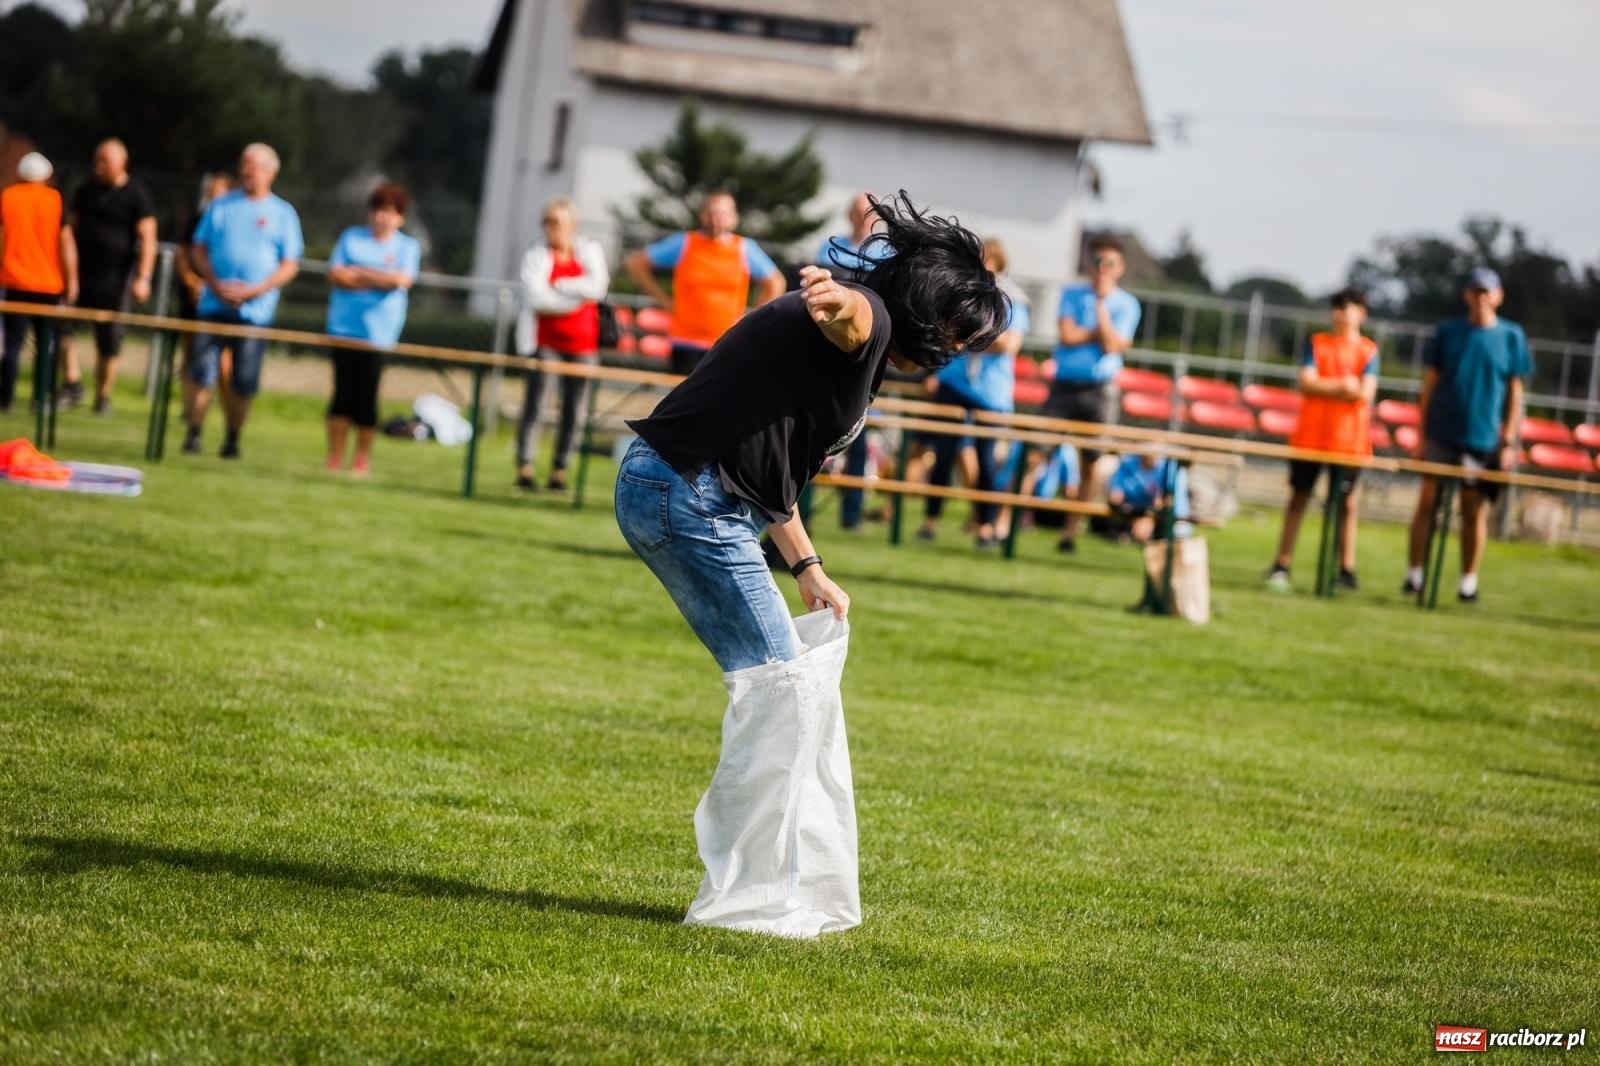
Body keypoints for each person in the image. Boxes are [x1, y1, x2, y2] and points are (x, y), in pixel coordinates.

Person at [615, 194, 1008, 933]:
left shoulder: (864, 341)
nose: (957, 349)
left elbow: (773, 472)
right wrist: (834, 302)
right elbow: (850, 318)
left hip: (689, 490)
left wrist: (807, 567)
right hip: (683, 493)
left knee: (778, 684)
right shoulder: (868, 318)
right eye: (957, 329)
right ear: (926, 308)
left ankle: (764, 883)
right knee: (783, 688)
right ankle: (747, 897)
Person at [1403, 268, 1530, 603]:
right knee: (1428, 500)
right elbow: (1428, 385)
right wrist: (1420, 434)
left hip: (1482, 437)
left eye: (1487, 291)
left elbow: (1515, 393)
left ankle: (1468, 582)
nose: (1481, 298)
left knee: (1473, 509)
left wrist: (1508, 440)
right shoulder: (1448, 332)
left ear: (1498, 296)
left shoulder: (1511, 336)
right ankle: (1414, 574)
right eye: (1476, 291)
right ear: (1466, 295)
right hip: (1442, 433)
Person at [184, 143, 303, 459]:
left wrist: (257, 289)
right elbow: (199, 248)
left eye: (252, 165)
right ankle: (194, 434)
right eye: (243, 164)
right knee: (201, 372)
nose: (245, 171)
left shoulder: (283, 213)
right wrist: (214, 283)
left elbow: (290, 263)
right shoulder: (221, 206)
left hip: (255, 312)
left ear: (270, 172)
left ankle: (232, 439)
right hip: (213, 305)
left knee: (243, 380)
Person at [916, 237, 1029, 547]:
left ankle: (985, 527)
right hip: (953, 382)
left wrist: (970, 337)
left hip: (990, 393)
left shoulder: (1012, 299)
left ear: (1000, 262)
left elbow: (1008, 345)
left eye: (988, 259)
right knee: (943, 456)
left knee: (987, 460)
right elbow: (946, 335)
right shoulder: (962, 293)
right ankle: (929, 522)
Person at [1265, 288, 1379, 591]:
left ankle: (1346, 569)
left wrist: (1328, 386)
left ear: (1361, 313)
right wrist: (1343, 384)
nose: (1341, 313)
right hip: (1311, 437)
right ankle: (1282, 563)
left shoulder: (1368, 350)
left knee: (1346, 505)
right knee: (1297, 498)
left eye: (1348, 307)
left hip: (1349, 441)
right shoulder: (1317, 344)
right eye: (1336, 307)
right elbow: (1306, 383)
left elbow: (1365, 392)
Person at [623, 190, 785, 377]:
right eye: (712, 212)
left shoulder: (744, 248)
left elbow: (775, 282)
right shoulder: (684, 243)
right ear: (702, 216)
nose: (716, 218)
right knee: (683, 401)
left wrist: (753, 319)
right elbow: (636, 263)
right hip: (686, 340)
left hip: (727, 341)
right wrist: (663, 301)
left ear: (734, 218)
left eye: (722, 213)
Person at [1048, 234, 1141, 553]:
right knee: (1036, 453)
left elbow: (1113, 345)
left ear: (1120, 267)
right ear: (1089, 263)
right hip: (1064, 385)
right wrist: (1101, 333)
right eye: (1098, 261)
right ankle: (1002, 525)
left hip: (1100, 390)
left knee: (1092, 464)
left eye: (1109, 262)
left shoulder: (1127, 304)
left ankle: (1070, 534)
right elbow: (1067, 336)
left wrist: (1101, 307)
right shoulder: (1071, 293)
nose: (1102, 268)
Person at [323, 182, 421, 477]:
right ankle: (335, 456)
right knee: (341, 393)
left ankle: (361, 458)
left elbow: (401, 280)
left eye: (389, 212)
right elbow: (337, 275)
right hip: (343, 328)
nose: (382, 217)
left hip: (378, 334)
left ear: (400, 217)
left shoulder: (407, 246)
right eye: (378, 210)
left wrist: (360, 272)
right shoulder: (351, 238)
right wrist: (379, 278)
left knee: (367, 396)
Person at [513, 196, 609, 491]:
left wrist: (561, 287)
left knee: (575, 411)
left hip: (583, 346)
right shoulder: (536, 256)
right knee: (536, 406)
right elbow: (536, 298)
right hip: (545, 342)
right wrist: (576, 297)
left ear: (573, 225)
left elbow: (598, 288)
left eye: (561, 222)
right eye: (550, 222)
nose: (556, 228)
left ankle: (560, 471)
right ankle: (525, 468)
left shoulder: (589, 251)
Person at [60, 138, 157, 415]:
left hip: (115, 280)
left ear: (122, 164)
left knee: (109, 340)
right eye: (97, 161)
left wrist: (143, 277)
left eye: (106, 162)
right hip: (79, 275)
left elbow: (149, 237)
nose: (99, 167)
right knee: (61, 328)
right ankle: (73, 381)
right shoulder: (86, 190)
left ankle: (103, 396)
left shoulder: (137, 194)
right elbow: (69, 229)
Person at [817, 192, 878, 530]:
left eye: (868, 211)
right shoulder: (829, 246)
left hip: (862, 350)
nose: (862, 216)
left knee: (857, 432)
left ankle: (851, 515)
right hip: (825, 344)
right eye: (857, 211)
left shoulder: (887, 254)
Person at [0, 151, 77, 415]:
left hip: (15, 282)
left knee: (12, 344)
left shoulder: (8, 197)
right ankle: (40, 398)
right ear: (46, 176)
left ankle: (6, 397)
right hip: (48, 285)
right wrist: (72, 281)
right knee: (47, 345)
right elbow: (66, 242)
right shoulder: (55, 200)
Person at [1096, 451, 1190, 544]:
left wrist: (1149, 520)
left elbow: (1162, 501)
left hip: (1162, 517)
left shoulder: (1168, 468)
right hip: (1134, 511)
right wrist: (1133, 519)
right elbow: (1115, 497)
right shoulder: (1128, 463)